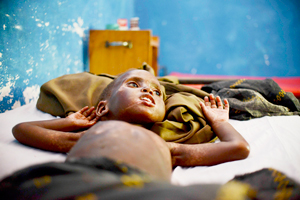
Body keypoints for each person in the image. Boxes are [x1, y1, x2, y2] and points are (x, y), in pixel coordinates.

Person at [12, 69, 250, 167]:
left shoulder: (168, 148)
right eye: (134, 85)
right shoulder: (88, 136)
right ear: (103, 108)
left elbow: (239, 148)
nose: (148, 91)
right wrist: (68, 122)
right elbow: (21, 129)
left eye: (157, 92)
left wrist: (219, 121)